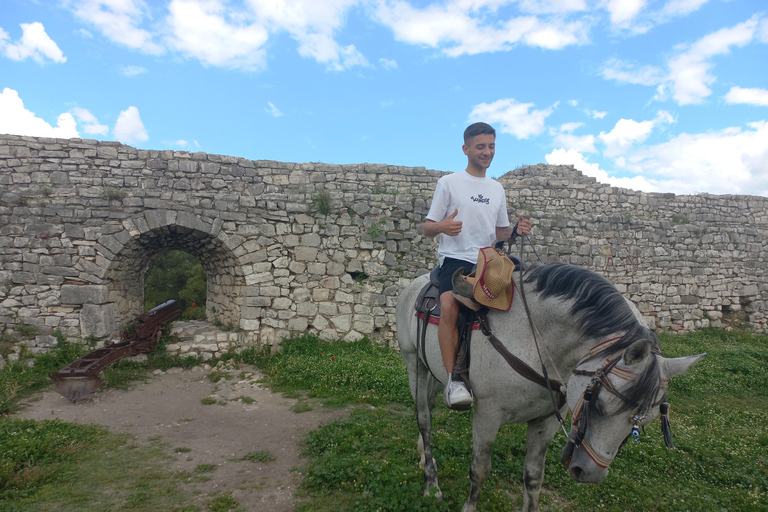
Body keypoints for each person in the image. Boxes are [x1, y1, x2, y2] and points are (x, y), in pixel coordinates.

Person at [423, 122, 532, 408]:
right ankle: (454, 379)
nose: (487, 152)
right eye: (481, 146)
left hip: (489, 260)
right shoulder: (448, 183)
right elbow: (428, 228)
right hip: (456, 260)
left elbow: (500, 233)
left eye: (491, 146)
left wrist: (516, 231)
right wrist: (443, 226)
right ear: (466, 149)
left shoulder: (496, 189)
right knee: (449, 305)